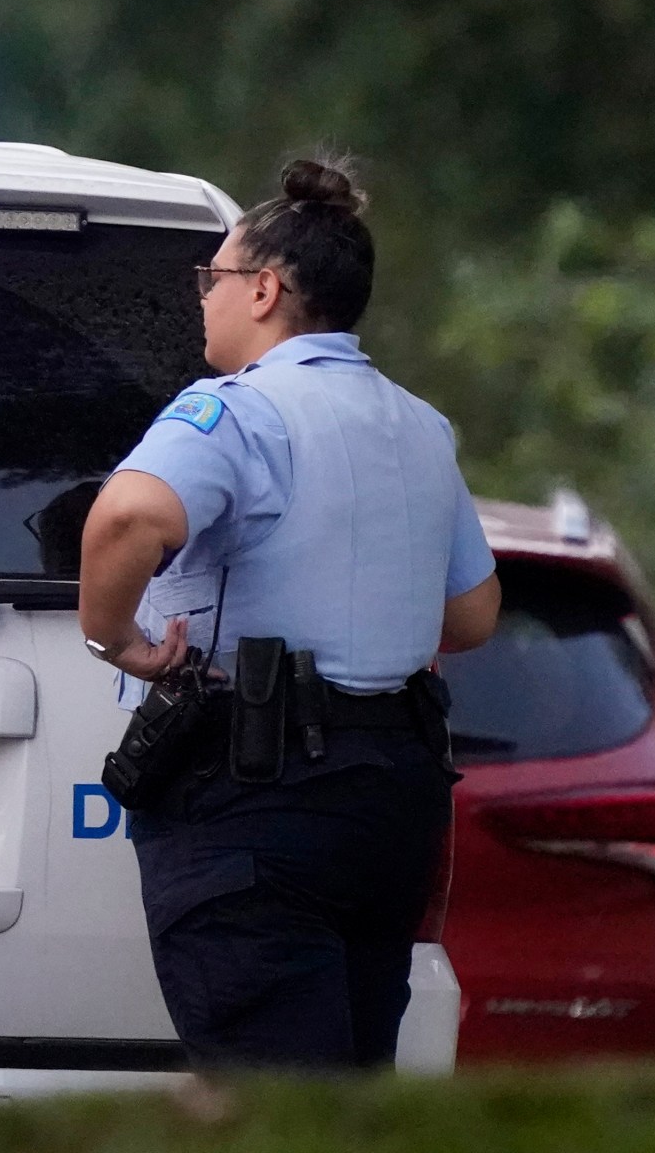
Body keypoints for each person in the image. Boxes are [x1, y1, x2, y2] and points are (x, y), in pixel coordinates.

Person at [77, 158, 502, 1070]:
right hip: (393, 794)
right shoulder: (421, 424)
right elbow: (471, 615)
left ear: (265, 289)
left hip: (257, 791)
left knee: (269, 1097)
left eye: (213, 279)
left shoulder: (237, 412)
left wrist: (116, 638)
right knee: (348, 1086)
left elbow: (125, 516)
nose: (202, 299)